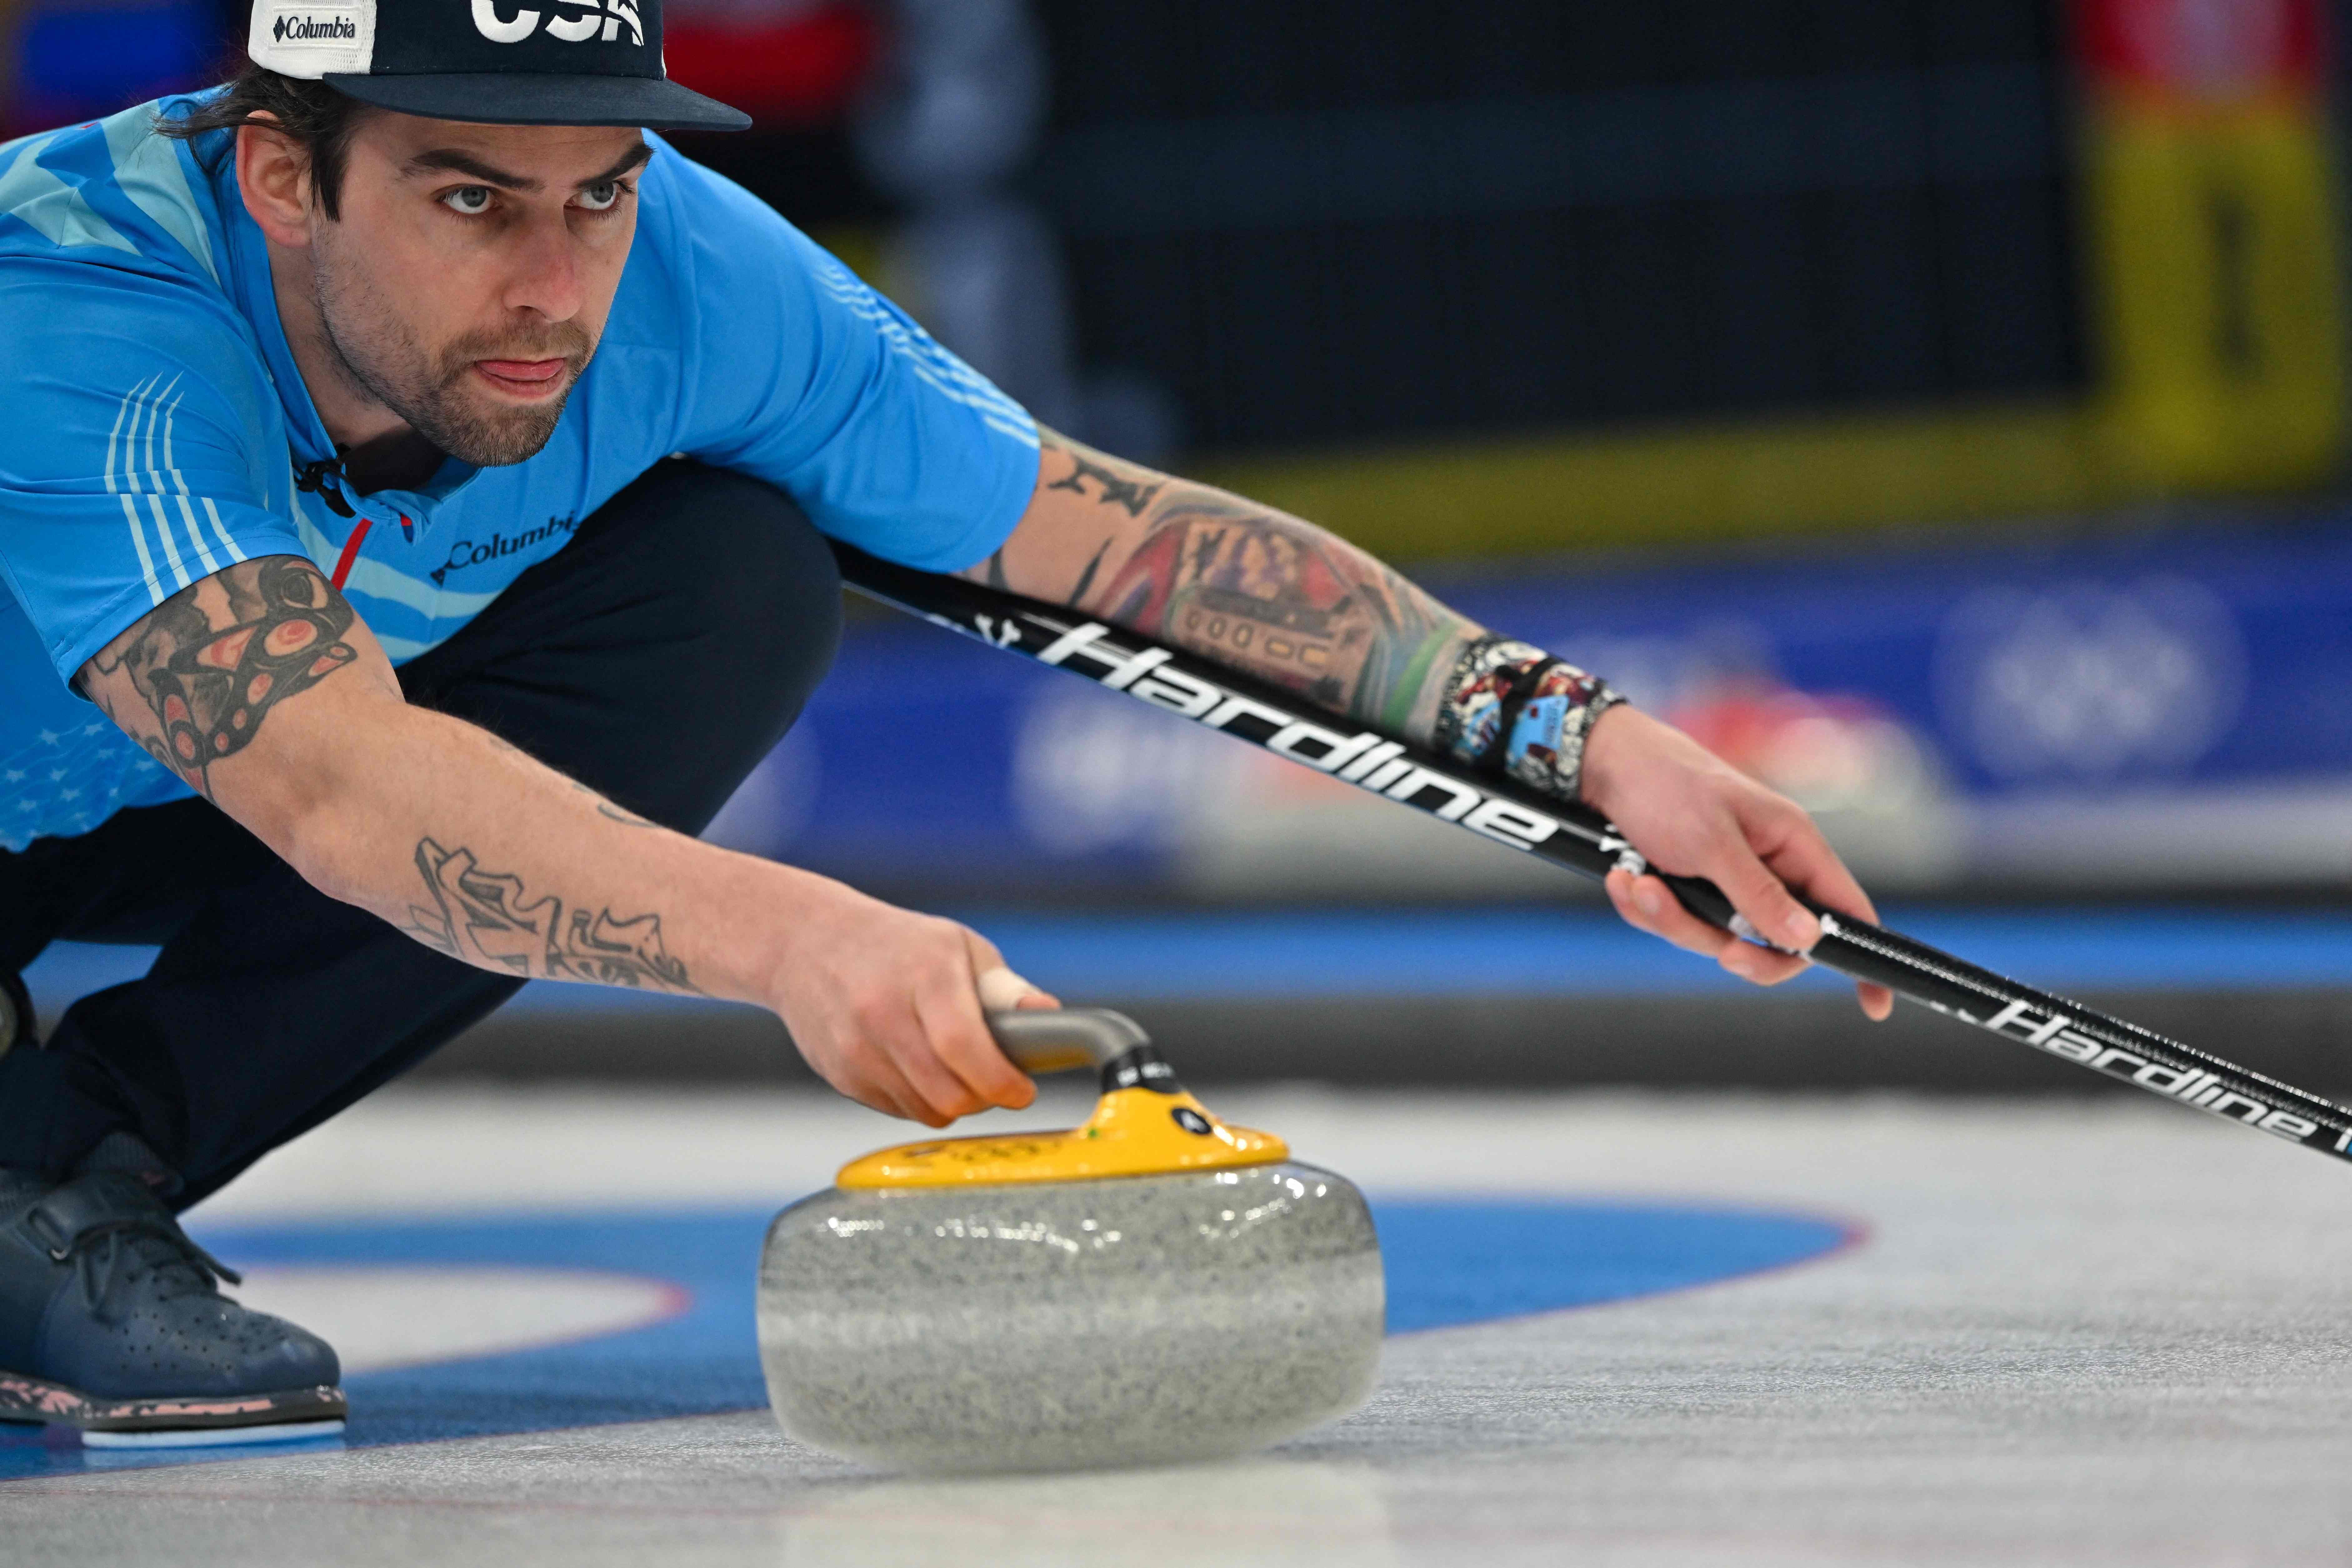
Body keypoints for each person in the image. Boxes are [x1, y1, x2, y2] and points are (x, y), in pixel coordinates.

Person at [0, 0, 1890, 1444]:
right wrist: (799, 936)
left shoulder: (682, 275)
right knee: (389, 739)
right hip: (164, 777)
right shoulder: (79, 307)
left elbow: (1098, 534)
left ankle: (58, 1181)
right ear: (276, 175)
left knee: (732, 569)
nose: (555, 285)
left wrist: (1578, 740)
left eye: (597, 195)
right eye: (468, 198)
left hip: (107, 800)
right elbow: (337, 785)